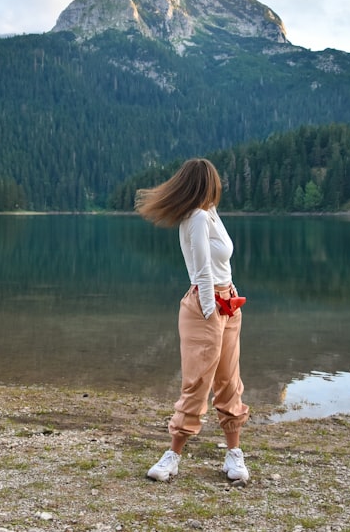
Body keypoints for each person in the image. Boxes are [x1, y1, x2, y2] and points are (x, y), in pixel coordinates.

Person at [135, 158, 251, 483]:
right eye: (215, 182)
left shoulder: (211, 213)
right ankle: (172, 456)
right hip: (206, 306)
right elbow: (201, 271)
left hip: (227, 303)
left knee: (229, 380)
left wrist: (231, 296)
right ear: (206, 184)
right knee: (198, 382)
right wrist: (211, 312)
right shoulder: (197, 217)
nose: (219, 188)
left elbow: (222, 262)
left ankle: (234, 456)